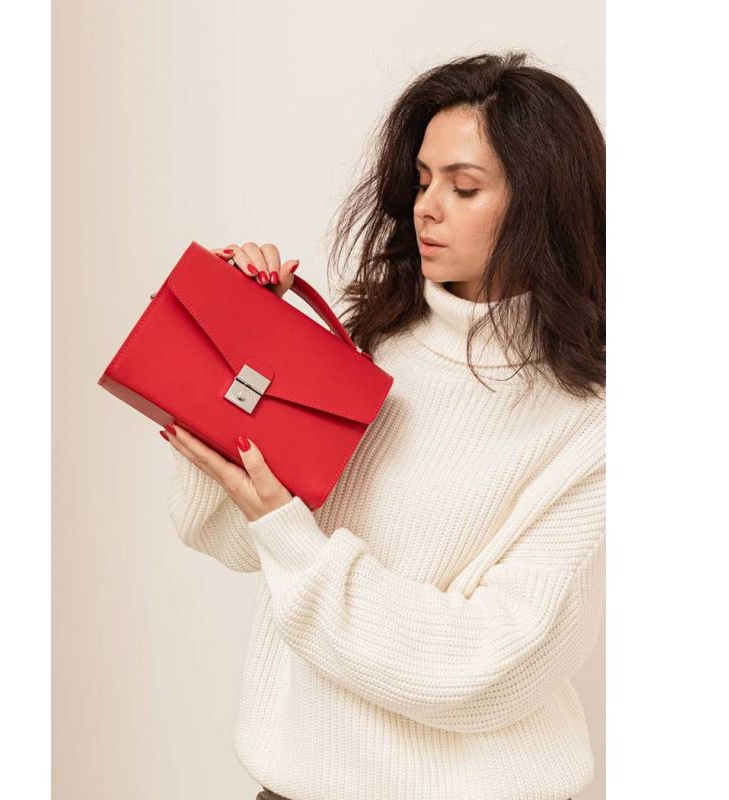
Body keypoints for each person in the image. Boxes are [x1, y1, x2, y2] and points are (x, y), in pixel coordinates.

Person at [162, 51, 604, 800]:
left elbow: (492, 666)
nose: (426, 207)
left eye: (464, 187)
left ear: (541, 203)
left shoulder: (589, 424)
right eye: (422, 180)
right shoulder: (368, 343)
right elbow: (226, 536)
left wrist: (292, 537)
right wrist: (241, 345)